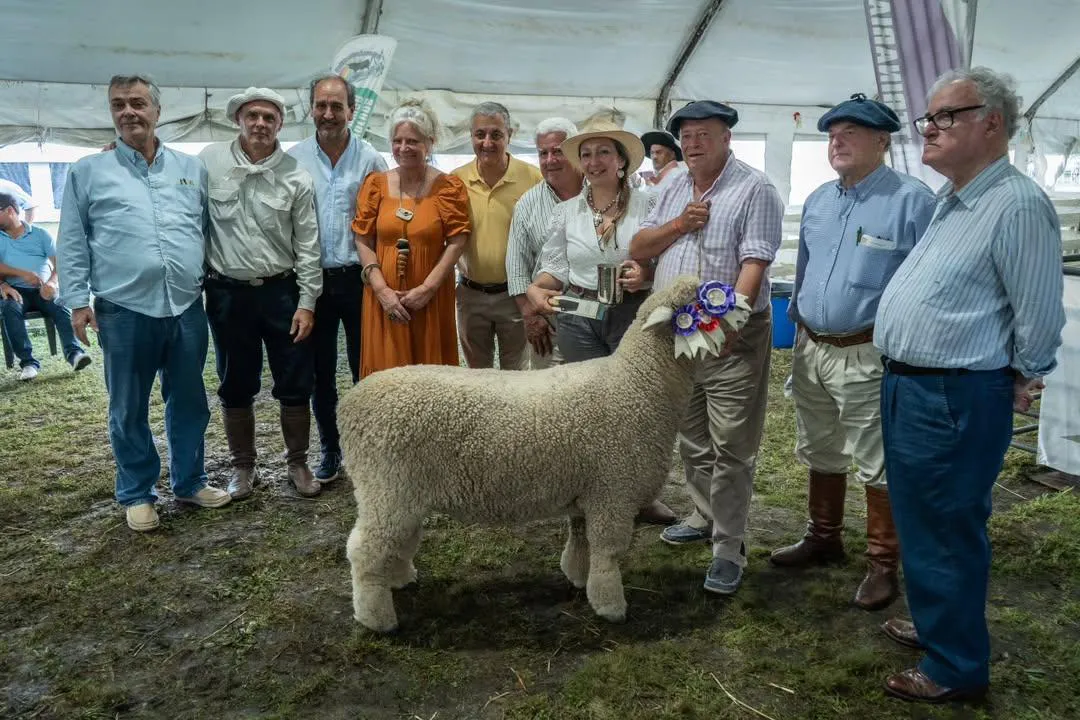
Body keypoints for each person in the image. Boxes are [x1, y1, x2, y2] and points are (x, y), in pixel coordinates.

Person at [874, 67, 1065, 704]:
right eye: (928, 117)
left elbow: (1038, 311)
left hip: (954, 393)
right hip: (915, 388)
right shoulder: (954, 199)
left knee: (947, 526)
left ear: (993, 123)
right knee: (923, 518)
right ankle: (939, 626)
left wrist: (1024, 374)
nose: (929, 128)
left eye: (946, 116)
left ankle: (955, 666)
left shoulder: (1015, 203)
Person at [770, 94, 936, 612]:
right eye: (832, 134)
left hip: (868, 351)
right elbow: (805, 269)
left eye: (851, 133)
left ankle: (883, 562)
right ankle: (824, 536)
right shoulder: (820, 199)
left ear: (883, 141)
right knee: (819, 445)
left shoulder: (913, 201)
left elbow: (927, 283)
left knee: (876, 459)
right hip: (813, 346)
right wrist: (797, 322)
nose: (837, 142)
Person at [57, 74, 231, 532]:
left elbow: (205, 229)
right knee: (128, 406)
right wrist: (76, 301)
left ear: (157, 110)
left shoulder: (190, 167)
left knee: (191, 400)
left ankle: (190, 481)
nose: (128, 112)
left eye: (137, 103)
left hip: (186, 306)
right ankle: (137, 492)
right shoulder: (87, 171)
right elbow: (72, 240)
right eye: (119, 105)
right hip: (123, 308)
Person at [630, 101, 784, 594]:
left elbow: (755, 262)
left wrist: (731, 321)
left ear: (726, 138)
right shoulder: (672, 185)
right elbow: (640, 246)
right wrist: (680, 225)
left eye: (704, 133)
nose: (693, 142)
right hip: (677, 333)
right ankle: (703, 514)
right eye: (687, 135)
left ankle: (729, 545)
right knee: (691, 434)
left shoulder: (754, 188)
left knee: (732, 443)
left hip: (731, 336)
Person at [525, 119, 675, 526]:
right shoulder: (566, 212)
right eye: (586, 154)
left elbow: (668, 258)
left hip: (634, 315)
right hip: (578, 315)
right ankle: (583, 492)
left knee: (639, 408)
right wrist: (538, 290)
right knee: (585, 409)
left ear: (622, 161)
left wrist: (645, 275)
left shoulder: (652, 204)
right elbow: (554, 266)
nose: (594, 162)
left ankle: (641, 496)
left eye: (603, 152)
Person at [200, 87, 323, 500]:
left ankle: (298, 461)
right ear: (237, 119)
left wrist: (307, 303)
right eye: (252, 115)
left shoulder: (296, 175)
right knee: (236, 380)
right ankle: (242, 467)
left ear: (280, 124)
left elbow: (308, 245)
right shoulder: (208, 164)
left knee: (294, 377)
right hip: (227, 293)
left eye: (269, 118)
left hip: (281, 292)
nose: (260, 124)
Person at [288, 74, 387, 483]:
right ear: (311, 108)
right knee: (319, 373)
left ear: (351, 110)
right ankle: (330, 447)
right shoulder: (293, 159)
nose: (328, 114)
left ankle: (372, 450)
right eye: (321, 105)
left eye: (336, 106)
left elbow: (383, 221)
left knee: (368, 369)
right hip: (312, 282)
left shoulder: (371, 160)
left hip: (360, 279)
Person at [352, 98, 471, 377]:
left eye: (413, 141)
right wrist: (382, 291)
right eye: (397, 140)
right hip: (383, 299)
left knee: (429, 378)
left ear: (429, 143)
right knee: (386, 379)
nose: (403, 148)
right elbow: (362, 239)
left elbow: (457, 240)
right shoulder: (375, 185)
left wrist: (428, 288)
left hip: (430, 299)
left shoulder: (448, 187)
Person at [452, 102, 542, 369]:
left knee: (515, 377)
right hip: (470, 295)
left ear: (510, 135)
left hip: (516, 296)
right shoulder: (455, 181)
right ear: (471, 136)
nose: (487, 142)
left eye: (496, 134)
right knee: (477, 377)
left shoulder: (532, 178)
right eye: (480, 134)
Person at [506, 117, 582, 369]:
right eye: (543, 153)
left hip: (599, 321)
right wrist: (530, 316)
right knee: (548, 401)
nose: (550, 160)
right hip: (549, 323)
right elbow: (516, 267)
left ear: (573, 151)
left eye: (558, 151)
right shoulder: (527, 204)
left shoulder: (600, 190)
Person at [0, 193, 90, 379]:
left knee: (60, 304)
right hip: (14, 290)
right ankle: (28, 363)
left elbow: (59, 264)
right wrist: (8, 282)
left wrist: (52, 282)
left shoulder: (40, 234)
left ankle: (74, 354)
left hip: (42, 289)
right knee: (10, 309)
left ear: (9, 211)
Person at [640, 129, 686, 195]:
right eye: (652, 153)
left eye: (659, 152)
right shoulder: (653, 177)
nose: (654, 157)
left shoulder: (679, 175)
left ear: (672, 155)